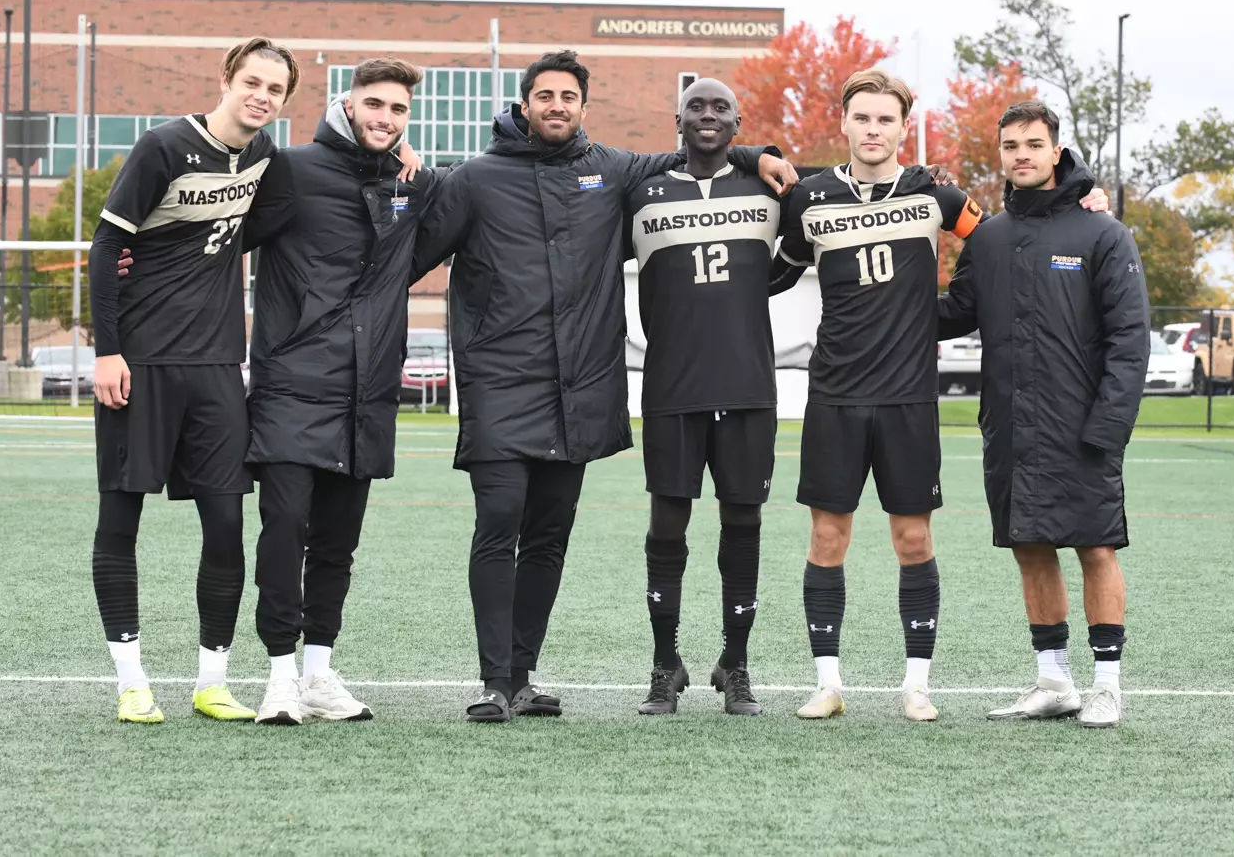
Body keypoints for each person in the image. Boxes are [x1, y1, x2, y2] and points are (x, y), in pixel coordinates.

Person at [410, 50, 796, 722]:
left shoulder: (612, 170)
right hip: (500, 383)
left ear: (583, 107)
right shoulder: (474, 178)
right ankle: (495, 680)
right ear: (524, 103)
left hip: (577, 389)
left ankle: (522, 678)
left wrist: (761, 152)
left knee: (551, 535)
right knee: (500, 521)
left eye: (568, 96)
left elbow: (700, 149)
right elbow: (411, 256)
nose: (557, 106)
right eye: (545, 95)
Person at [90, 40, 419, 725]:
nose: (261, 95)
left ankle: (212, 680)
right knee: (121, 519)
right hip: (141, 363)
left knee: (228, 525)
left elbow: (281, 222)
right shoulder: (162, 145)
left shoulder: (269, 161)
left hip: (216, 366)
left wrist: (400, 162)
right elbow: (108, 244)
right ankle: (130, 678)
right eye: (252, 82)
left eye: (275, 88)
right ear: (226, 79)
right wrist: (108, 350)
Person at [770, 71, 1108, 722]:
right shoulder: (807, 197)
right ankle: (827, 683)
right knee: (827, 537)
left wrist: (1079, 204)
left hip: (908, 397)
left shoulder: (934, 194)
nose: (873, 130)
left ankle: (916, 685)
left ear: (903, 127)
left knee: (914, 540)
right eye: (862, 118)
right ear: (844, 123)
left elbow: (1004, 237)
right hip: (835, 394)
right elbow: (771, 273)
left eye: (885, 120)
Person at [229, 59, 441, 725]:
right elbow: (217, 240)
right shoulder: (289, 169)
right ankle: (279, 675)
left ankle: (319, 673)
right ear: (347, 105)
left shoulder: (414, 187)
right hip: (293, 385)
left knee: (337, 543)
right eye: (374, 103)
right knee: (284, 528)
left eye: (398, 110)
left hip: (368, 392)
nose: (385, 117)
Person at [937, 99, 1149, 729]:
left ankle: (1107, 684)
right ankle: (1054, 681)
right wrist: (889, 284)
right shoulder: (992, 238)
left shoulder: (1103, 234)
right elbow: (954, 313)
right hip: (1011, 427)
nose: (1021, 155)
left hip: (1082, 430)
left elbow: (1129, 339)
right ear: (999, 154)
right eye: (1010, 146)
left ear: (1056, 152)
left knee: (1096, 548)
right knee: (1030, 550)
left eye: (1033, 144)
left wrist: (1108, 429)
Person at [627, 78, 780, 717]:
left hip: (747, 388)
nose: (708, 115)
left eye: (720, 108)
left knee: (742, 523)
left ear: (739, 122)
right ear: (679, 118)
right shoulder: (640, 195)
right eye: (697, 106)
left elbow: (837, 185)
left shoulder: (771, 192)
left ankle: (735, 664)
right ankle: (667, 664)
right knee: (669, 523)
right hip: (671, 386)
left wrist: (759, 155)